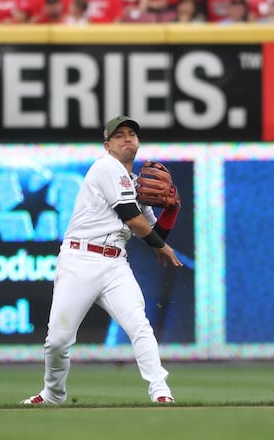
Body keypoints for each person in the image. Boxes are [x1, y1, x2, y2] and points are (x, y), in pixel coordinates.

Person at [21, 116, 183, 405]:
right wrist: (163, 247)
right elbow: (132, 220)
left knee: (139, 325)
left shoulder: (136, 184)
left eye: (132, 133)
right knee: (58, 341)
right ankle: (52, 394)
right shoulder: (105, 167)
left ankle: (161, 391)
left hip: (115, 264)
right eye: (119, 135)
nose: (127, 138)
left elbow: (152, 234)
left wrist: (170, 212)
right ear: (107, 145)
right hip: (80, 259)